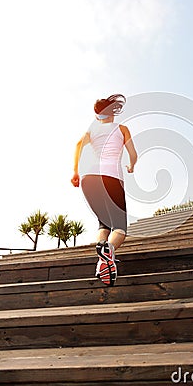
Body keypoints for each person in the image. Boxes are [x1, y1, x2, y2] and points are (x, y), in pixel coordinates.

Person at [71, 94, 137, 286]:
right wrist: (131, 166)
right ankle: (109, 250)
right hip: (111, 178)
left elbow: (78, 145)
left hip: (88, 178)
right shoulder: (122, 129)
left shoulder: (92, 130)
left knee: (103, 224)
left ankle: (102, 259)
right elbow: (133, 154)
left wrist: (75, 172)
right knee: (120, 229)